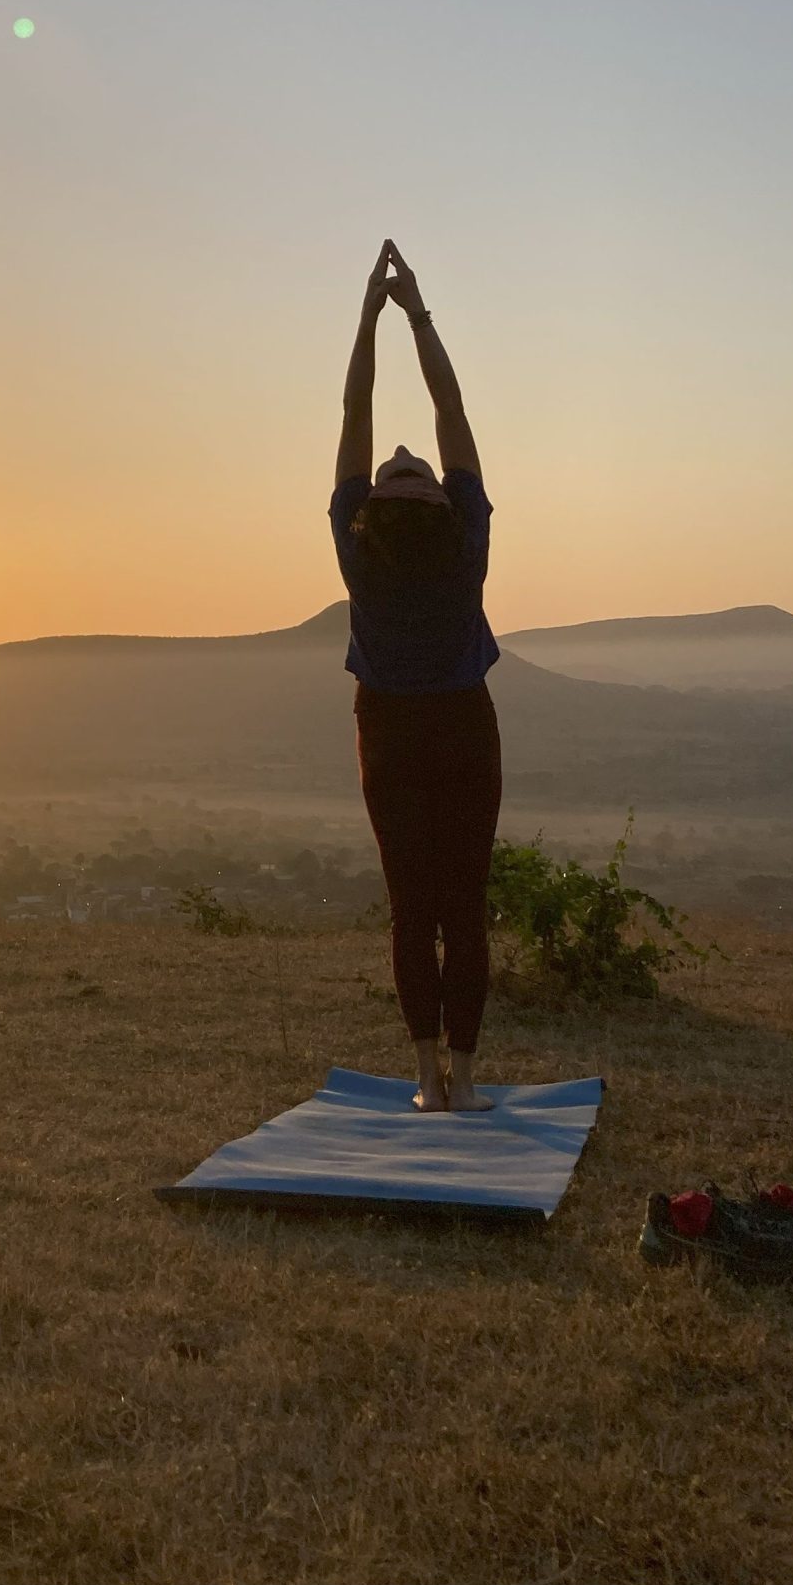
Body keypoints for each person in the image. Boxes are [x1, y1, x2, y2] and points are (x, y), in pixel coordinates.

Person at [332, 241, 501, 1114]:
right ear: (439, 503)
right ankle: (462, 1082)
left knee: (412, 906)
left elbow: (357, 404)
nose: (406, 451)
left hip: (387, 730)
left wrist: (366, 318)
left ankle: (425, 1082)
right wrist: (417, 315)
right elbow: (451, 406)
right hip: (465, 725)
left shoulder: (359, 554)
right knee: (461, 904)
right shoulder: (464, 545)